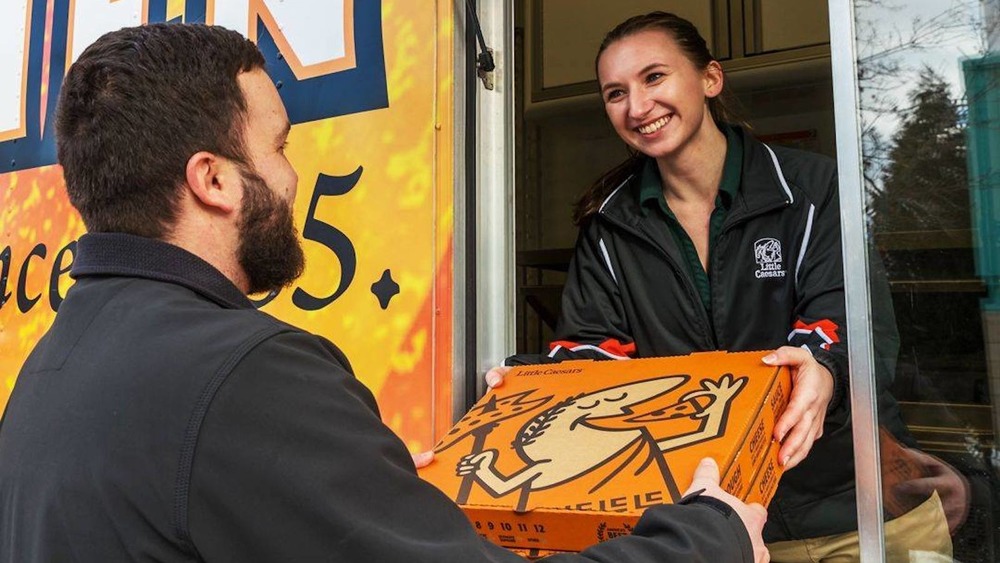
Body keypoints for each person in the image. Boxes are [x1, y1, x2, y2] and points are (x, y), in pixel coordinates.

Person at [0, 23, 769, 563]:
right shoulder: (251, 375)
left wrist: (345, 481)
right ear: (214, 181)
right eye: (278, 147)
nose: (293, 176)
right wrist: (711, 536)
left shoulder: (50, 368)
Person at [486, 11, 957, 561]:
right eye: (616, 93)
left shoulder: (812, 187)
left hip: (860, 509)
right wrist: (541, 389)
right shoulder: (609, 227)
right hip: (724, 527)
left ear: (710, 79)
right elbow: (595, 355)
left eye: (654, 77)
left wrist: (823, 368)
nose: (637, 107)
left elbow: (854, 320)